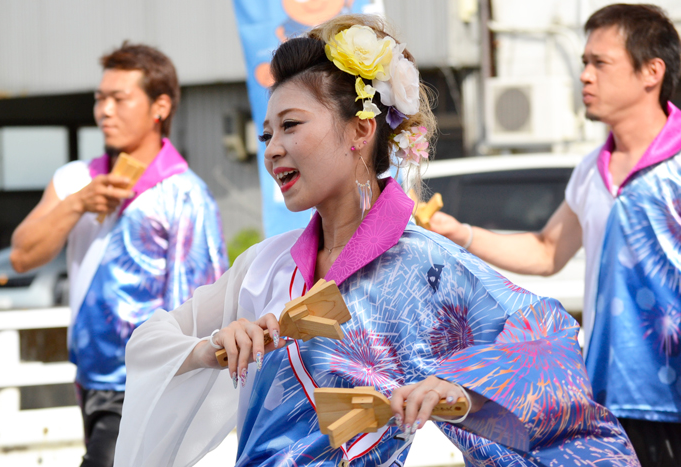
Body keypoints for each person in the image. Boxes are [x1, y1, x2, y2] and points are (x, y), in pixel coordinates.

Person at [115, 15, 637, 467]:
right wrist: (210, 348)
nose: (273, 150)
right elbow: (148, 341)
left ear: (361, 131)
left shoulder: (426, 264)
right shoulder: (264, 267)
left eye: (291, 125)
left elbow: (548, 341)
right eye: (266, 135)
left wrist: (462, 395)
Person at [429, 4, 681, 466]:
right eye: (584, 62)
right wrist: (459, 232)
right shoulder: (591, 170)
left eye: (599, 63)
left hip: (677, 399)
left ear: (652, 71)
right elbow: (548, 250)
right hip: (607, 398)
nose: (585, 75)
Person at [10, 43, 228, 467]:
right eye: (99, 98)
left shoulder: (186, 195)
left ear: (159, 106)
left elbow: (200, 308)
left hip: (145, 380)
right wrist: (76, 204)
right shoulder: (75, 179)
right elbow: (21, 256)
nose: (104, 111)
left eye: (119, 98)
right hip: (89, 377)